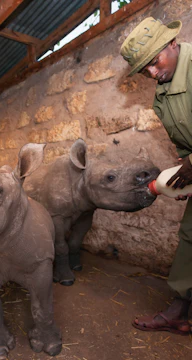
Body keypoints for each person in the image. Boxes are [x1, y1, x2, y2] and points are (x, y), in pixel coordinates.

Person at [120, 17, 192, 335]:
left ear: (173, 44)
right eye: (144, 68)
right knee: (190, 238)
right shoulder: (162, 95)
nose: (151, 73)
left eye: (154, 61)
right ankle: (180, 310)